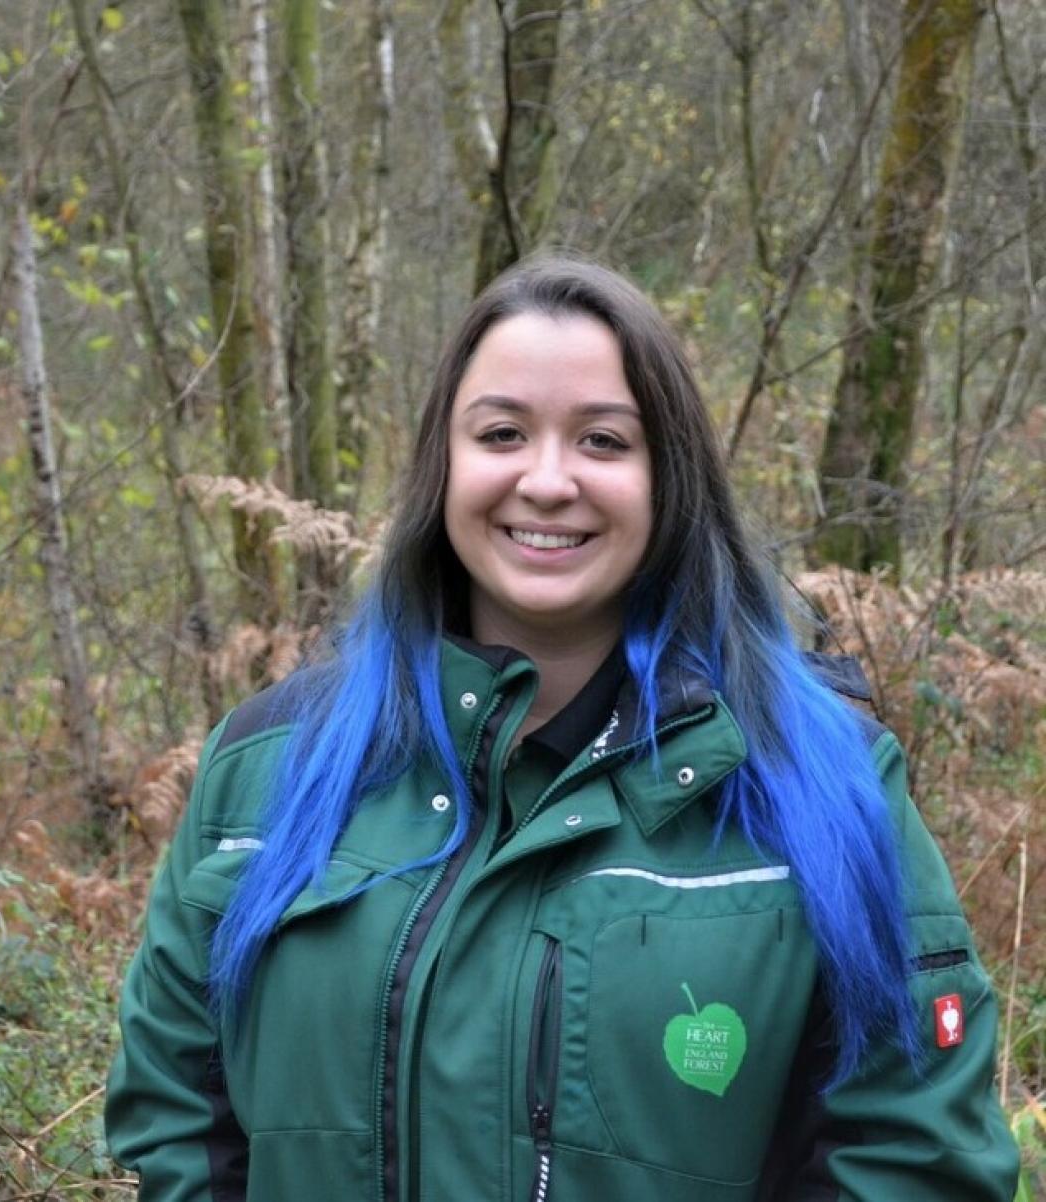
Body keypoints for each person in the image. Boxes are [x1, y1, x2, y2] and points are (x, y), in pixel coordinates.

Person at [105, 256, 1019, 1201]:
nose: (547, 481)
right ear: (441, 466)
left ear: (670, 477)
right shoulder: (268, 769)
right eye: (502, 433)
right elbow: (181, 1119)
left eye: (603, 441)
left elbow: (915, 1163)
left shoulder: (821, 785)